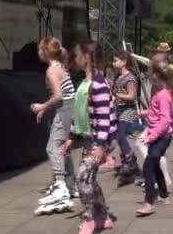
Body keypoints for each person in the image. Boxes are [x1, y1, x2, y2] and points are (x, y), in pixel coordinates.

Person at [64, 40, 116, 234]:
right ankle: (103, 216)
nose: (75, 58)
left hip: (99, 140)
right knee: (90, 180)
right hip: (88, 139)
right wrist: (71, 136)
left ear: (87, 57)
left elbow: (103, 118)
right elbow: (79, 112)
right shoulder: (84, 82)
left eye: (78, 55)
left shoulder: (99, 84)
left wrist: (101, 146)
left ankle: (90, 218)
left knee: (83, 178)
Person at [31, 37, 78, 210]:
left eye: (39, 50)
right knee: (63, 148)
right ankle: (71, 185)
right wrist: (46, 109)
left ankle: (61, 185)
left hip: (65, 109)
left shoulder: (52, 70)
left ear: (44, 52)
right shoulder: (60, 67)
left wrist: (41, 106)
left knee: (52, 147)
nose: (38, 53)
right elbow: (63, 95)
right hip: (67, 108)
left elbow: (58, 95)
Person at [136, 55, 173, 216]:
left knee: (148, 165)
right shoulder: (157, 92)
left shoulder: (164, 95)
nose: (149, 76)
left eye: (152, 73)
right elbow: (155, 113)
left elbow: (165, 121)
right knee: (155, 162)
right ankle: (164, 195)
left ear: (159, 77)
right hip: (156, 133)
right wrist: (144, 113)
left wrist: (151, 137)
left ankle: (149, 201)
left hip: (163, 136)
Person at [111, 51, 139, 181]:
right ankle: (128, 162)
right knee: (118, 136)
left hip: (128, 110)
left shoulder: (130, 78)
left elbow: (132, 96)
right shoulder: (118, 77)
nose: (113, 63)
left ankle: (129, 158)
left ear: (124, 62)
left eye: (116, 60)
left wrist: (117, 96)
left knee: (121, 134)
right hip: (119, 110)